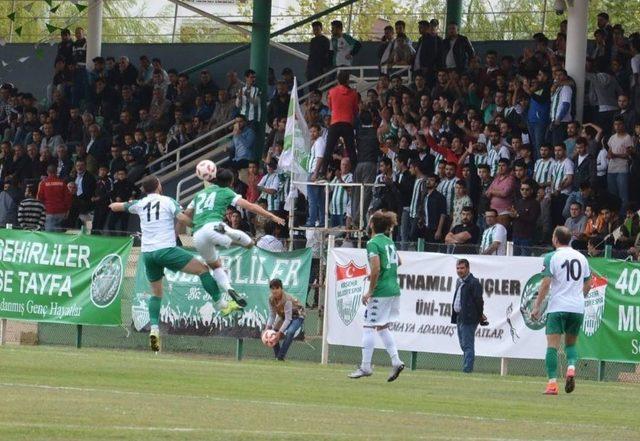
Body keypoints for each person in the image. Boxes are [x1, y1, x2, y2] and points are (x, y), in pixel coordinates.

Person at [109, 175, 242, 353]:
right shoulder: (167, 201)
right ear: (158, 186)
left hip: (148, 254)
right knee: (202, 270)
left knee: (156, 293)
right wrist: (197, 226)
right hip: (166, 250)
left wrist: (113, 205)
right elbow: (182, 217)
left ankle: (154, 331)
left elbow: (117, 206)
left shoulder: (139, 204)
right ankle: (221, 305)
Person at [183, 167, 286, 308]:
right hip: (215, 227)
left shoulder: (199, 194)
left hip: (198, 234)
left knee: (215, 266)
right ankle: (230, 232)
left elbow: (185, 215)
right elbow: (250, 206)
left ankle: (228, 289)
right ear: (231, 182)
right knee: (249, 243)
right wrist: (272, 216)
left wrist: (181, 234)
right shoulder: (226, 192)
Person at [532, 226, 591, 395]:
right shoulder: (582, 257)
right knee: (571, 344)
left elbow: (545, 283)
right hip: (577, 307)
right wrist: (580, 298)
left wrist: (537, 306)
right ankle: (571, 368)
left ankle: (552, 384)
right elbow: (588, 282)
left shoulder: (551, 257)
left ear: (556, 239)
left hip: (557, 306)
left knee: (552, 346)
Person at [349, 211, 405, 382]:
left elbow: (376, 268)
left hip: (381, 291)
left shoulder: (372, 243)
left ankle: (366, 366)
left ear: (372, 224)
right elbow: (399, 262)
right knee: (382, 326)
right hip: (393, 289)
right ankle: (396, 361)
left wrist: (370, 291)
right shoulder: (389, 242)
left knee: (368, 326)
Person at [450, 259, 484, 373]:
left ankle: (467, 370)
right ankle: (467, 367)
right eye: (458, 268)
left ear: (468, 268)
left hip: (469, 318)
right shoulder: (459, 282)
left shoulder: (474, 283)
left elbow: (479, 301)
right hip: (460, 317)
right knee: (463, 344)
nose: (459, 270)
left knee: (467, 344)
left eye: (462, 268)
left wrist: (480, 315)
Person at [322, 70, 359, 171]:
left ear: (338, 80)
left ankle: (322, 172)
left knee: (328, 149)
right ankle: (355, 172)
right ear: (348, 80)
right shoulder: (353, 94)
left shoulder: (332, 92)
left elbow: (331, 107)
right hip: (347, 123)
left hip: (335, 123)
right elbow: (355, 110)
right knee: (351, 150)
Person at [265, 278, 306, 361]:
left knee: (290, 332)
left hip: (297, 316)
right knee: (273, 333)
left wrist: (280, 332)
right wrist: (267, 328)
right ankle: (278, 356)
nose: (275, 291)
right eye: (272, 288)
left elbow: (288, 319)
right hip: (284, 315)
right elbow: (272, 315)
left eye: (277, 288)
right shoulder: (271, 299)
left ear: (281, 288)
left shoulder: (286, 299)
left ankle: (280, 357)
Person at [37, 164, 72, 232]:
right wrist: (67, 210)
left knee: (49, 236)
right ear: (56, 171)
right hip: (61, 212)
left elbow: (40, 198)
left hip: (48, 212)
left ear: (47, 172)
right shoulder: (62, 183)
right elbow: (68, 198)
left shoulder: (43, 183)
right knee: (59, 235)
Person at [306, 21, 331, 90]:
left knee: (318, 86)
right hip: (311, 68)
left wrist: (325, 67)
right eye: (314, 29)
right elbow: (311, 55)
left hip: (320, 68)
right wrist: (308, 67)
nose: (315, 31)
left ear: (321, 29)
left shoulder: (325, 40)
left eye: (317, 29)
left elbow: (327, 54)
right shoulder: (312, 40)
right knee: (311, 87)